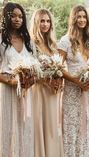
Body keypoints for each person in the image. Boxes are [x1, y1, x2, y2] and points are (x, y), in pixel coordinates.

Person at [57, 5, 89, 157]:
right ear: (73, 19)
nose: (82, 20)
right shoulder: (65, 41)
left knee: (87, 125)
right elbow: (58, 67)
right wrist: (75, 80)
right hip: (72, 90)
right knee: (72, 126)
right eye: (78, 17)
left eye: (84, 17)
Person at [0, 2, 35, 157]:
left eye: (20, 16)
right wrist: (13, 82)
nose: (17, 19)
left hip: (27, 94)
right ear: (6, 17)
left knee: (25, 128)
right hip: (8, 91)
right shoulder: (1, 40)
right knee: (7, 128)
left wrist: (31, 79)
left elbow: (35, 68)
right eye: (13, 15)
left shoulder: (28, 40)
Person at [30, 9, 64, 157]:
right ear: (36, 23)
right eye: (42, 21)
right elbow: (29, 71)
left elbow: (60, 69)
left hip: (53, 93)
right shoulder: (31, 44)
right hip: (38, 91)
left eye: (48, 21)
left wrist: (59, 80)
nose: (45, 24)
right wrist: (46, 80)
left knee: (52, 126)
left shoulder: (53, 45)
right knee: (39, 124)